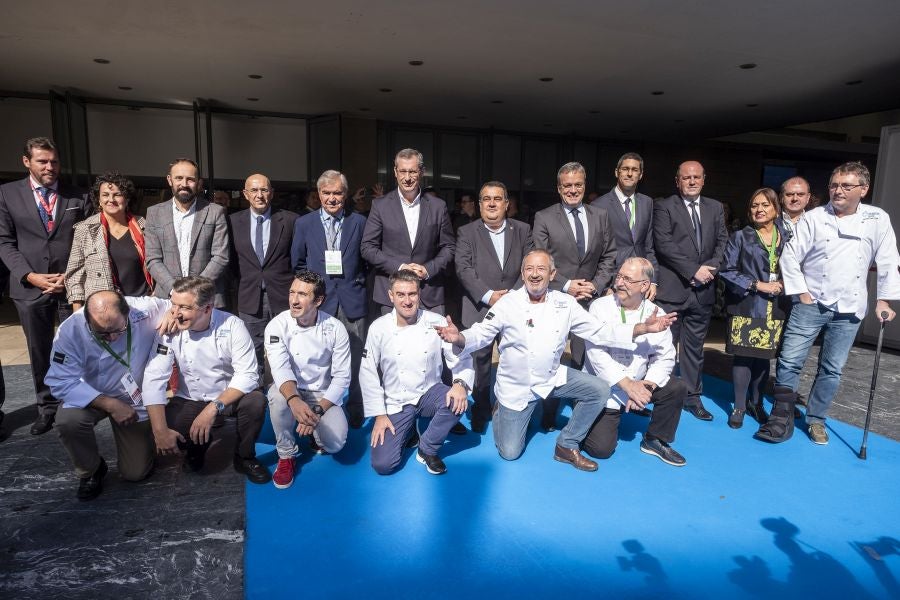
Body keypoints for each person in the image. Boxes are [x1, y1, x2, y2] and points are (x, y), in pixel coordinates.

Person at [436, 250, 677, 471]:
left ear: (552, 274)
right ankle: (501, 409)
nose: (534, 274)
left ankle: (566, 444)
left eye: (541, 269)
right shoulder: (508, 303)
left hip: (552, 376)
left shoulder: (566, 303)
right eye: (529, 268)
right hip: (516, 387)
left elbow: (600, 332)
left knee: (599, 389)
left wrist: (642, 328)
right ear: (522, 273)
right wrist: (460, 337)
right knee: (510, 453)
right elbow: (481, 332)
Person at [756, 162, 900, 444]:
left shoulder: (877, 218)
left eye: (847, 186)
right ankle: (781, 417)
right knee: (790, 361)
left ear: (864, 189)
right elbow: (790, 256)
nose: (838, 191)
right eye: (834, 185)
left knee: (832, 368)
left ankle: (816, 419)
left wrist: (883, 300)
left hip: (850, 307)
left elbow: (888, 260)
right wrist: (802, 293)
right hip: (811, 303)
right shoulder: (815, 217)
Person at [0, 137, 93, 435]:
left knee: (76, 347)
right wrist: (29, 276)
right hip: (30, 287)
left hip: (71, 285)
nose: (50, 167)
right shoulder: (6, 194)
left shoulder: (78, 196)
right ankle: (46, 407)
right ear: (27, 161)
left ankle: (75, 403)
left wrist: (71, 274)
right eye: (42, 161)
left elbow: (90, 239)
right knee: (39, 349)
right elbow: (4, 242)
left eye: (54, 161)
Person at [45, 291, 173, 499]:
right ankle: (91, 470)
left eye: (118, 330)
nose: (112, 338)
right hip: (92, 395)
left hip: (135, 396)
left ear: (128, 313)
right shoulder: (70, 331)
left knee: (135, 473)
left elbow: (178, 299)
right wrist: (109, 404)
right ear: (87, 319)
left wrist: (172, 312)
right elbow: (60, 381)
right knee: (68, 421)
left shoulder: (145, 308)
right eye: (102, 333)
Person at [141, 276, 270, 483]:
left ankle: (245, 456)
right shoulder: (169, 329)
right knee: (169, 427)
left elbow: (248, 375)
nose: (175, 313)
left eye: (184, 307)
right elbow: (154, 378)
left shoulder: (232, 326)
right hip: (191, 397)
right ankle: (196, 446)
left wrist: (212, 409)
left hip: (228, 396)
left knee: (255, 402)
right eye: (173, 304)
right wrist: (160, 431)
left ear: (207, 309)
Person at [360, 270, 474, 476]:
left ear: (419, 294)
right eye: (401, 294)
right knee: (383, 465)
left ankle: (427, 449)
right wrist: (379, 414)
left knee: (457, 401)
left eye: (412, 294)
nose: (407, 301)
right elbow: (367, 372)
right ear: (391, 296)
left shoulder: (435, 321)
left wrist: (459, 384)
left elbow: (460, 356)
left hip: (428, 392)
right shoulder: (378, 328)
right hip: (396, 400)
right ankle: (409, 429)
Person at [533, 161, 617, 429]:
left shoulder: (600, 216)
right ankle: (548, 414)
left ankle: (584, 415)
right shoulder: (544, 217)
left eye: (577, 185)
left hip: (590, 300)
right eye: (567, 185)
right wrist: (567, 284)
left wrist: (595, 284)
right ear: (559, 188)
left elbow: (609, 256)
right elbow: (539, 260)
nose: (573, 190)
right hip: (556, 299)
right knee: (552, 358)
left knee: (587, 357)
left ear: (584, 185)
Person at [582, 258, 688, 466]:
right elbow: (596, 356)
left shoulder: (656, 314)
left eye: (627, 279)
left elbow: (665, 357)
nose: (619, 283)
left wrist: (646, 386)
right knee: (600, 449)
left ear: (644, 286)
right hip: (605, 386)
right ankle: (587, 409)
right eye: (619, 276)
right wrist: (627, 385)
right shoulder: (599, 307)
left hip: (638, 383)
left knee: (676, 387)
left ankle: (655, 439)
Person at [653, 161, 729, 421]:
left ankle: (692, 397)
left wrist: (710, 269)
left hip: (703, 291)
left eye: (697, 177)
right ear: (678, 181)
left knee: (694, 349)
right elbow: (663, 244)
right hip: (673, 289)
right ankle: (658, 393)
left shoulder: (716, 208)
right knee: (663, 346)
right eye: (687, 178)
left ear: (704, 179)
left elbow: (722, 242)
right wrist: (693, 270)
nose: (692, 181)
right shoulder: (664, 206)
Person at [455, 180, 533, 433]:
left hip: (515, 306)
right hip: (480, 307)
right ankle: (480, 409)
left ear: (507, 204)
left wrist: (511, 297)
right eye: (486, 199)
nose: (491, 203)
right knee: (480, 363)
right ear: (479, 205)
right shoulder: (467, 232)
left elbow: (530, 266)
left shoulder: (522, 230)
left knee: (516, 358)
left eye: (497, 199)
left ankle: (510, 408)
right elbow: (463, 269)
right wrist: (489, 296)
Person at [292, 170, 367, 427]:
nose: (332, 198)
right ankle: (322, 409)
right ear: (318, 194)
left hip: (351, 299)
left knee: (356, 358)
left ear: (345, 195)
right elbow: (298, 262)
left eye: (337, 193)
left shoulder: (359, 222)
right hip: (319, 301)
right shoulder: (304, 224)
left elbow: (366, 260)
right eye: (326, 193)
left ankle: (356, 408)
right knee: (320, 359)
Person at [265, 270, 351, 489]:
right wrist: (294, 401)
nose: (294, 300)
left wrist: (316, 412)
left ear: (318, 300)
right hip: (291, 389)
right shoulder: (277, 325)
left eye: (302, 294)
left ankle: (315, 434)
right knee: (276, 396)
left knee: (335, 444)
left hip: (321, 394)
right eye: (292, 292)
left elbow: (342, 377)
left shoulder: (335, 328)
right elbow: (280, 368)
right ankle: (286, 455)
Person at [719, 188, 789, 429]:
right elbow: (726, 270)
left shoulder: (787, 236)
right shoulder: (741, 236)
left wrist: (784, 285)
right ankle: (739, 406)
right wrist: (758, 285)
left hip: (776, 306)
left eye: (765, 205)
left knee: (763, 359)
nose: (759, 210)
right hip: (747, 304)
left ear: (776, 209)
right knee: (743, 357)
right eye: (754, 206)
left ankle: (756, 403)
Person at [360, 148, 455, 315]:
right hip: (391, 297)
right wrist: (400, 267)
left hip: (429, 294)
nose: (407, 178)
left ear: (422, 172)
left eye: (412, 171)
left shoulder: (438, 206)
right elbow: (368, 247)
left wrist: (428, 269)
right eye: (403, 171)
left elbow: (449, 247)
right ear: (395, 172)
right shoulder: (380, 206)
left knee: (432, 342)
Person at [228, 173, 298, 380]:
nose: (260, 195)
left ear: (272, 193)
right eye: (254, 190)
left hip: (284, 297)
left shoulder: (291, 220)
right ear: (245, 194)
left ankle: (287, 398)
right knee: (251, 353)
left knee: (288, 350)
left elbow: (296, 258)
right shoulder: (232, 222)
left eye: (264, 190)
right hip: (250, 297)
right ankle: (257, 400)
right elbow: (230, 261)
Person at [144, 158, 230, 308]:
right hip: (167, 299)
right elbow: (152, 259)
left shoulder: (215, 212)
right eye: (179, 178)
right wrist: (175, 290)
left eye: (190, 179)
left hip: (207, 299)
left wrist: (195, 289)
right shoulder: (154, 213)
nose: (184, 184)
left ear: (199, 183)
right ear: (169, 180)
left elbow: (221, 257)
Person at [65, 172, 152, 311]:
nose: (111, 199)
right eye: (105, 195)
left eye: (117, 194)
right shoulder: (84, 230)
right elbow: (75, 275)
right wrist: (78, 312)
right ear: (98, 200)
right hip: (102, 309)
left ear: (127, 198)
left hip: (142, 305)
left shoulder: (145, 226)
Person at [591, 152, 658, 301]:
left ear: (640, 175)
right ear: (617, 172)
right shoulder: (599, 206)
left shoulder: (647, 203)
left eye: (634, 170)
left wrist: (653, 280)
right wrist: (604, 285)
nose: (629, 174)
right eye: (625, 169)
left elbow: (649, 245)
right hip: (613, 282)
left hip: (640, 283)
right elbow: (596, 251)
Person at [779, 176, 815, 241]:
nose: (795, 199)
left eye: (800, 194)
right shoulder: (770, 221)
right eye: (789, 194)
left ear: (808, 197)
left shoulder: (816, 222)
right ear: (781, 197)